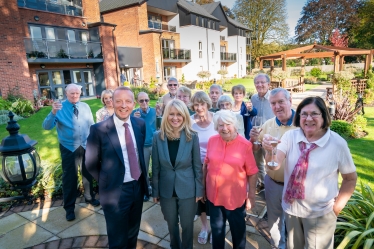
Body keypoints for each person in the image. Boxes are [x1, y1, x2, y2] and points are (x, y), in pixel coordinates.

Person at [262, 96, 357, 249]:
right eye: (304, 114)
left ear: (324, 116)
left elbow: (350, 179)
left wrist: (336, 209)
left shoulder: (337, 143)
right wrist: (269, 150)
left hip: (320, 214)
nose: (308, 118)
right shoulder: (290, 137)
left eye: (314, 114)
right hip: (292, 210)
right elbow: (274, 165)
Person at [85, 86, 149, 248]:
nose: (123, 105)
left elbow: (139, 154)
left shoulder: (139, 124)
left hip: (137, 187)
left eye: (128, 101)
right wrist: (107, 181)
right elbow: (90, 163)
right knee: (118, 238)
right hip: (115, 192)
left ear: (133, 104)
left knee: (132, 233)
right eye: (119, 101)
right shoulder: (98, 130)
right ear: (112, 103)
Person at [42, 84, 99, 221]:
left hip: (86, 145)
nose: (75, 96)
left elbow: (91, 124)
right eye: (72, 93)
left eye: (77, 93)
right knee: (70, 179)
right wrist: (53, 113)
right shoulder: (59, 107)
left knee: (87, 174)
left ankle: (89, 197)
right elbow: (46, 126)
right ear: (66, 94)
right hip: (68, 148)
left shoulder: (85, 107)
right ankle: (69, 208)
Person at [152, 99, 203, 249]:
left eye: (179, 114)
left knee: (187, 226)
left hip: (188, 189)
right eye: (172, 114)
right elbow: (155, 167)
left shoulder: (192, 136)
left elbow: (197, 166)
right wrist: (155, 191)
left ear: (185, 116)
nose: (175, 118)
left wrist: (199, 190)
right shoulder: (157, 137)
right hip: (166, 189)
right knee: (171, 224)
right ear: (166, 115)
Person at [203, 110, 258, 249]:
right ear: (216, 127)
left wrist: (251, 196)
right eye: (220, 125)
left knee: (238, 233)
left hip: (235, 198)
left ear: (235, 125)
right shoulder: (212, 140)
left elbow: (252, 172)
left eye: (228, 124)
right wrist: (203, 188)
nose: (224, 128)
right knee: (217, 232)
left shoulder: (245, 145)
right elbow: (206, 164)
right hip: (213, 196)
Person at [249, 88, 296, 249]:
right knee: (274, 220)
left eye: (281, 102)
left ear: (290, 101)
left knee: (295, 222)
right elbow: (256, 149)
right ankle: (277, 246)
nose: (277, 107)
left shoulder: (303, 123)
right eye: (273, 103)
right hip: (273, 182)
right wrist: (254, 139)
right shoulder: (268, 124)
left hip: (296, 185)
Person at [190, 91, 217, 244]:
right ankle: (204, 227)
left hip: (215, 166)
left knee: (214, 198)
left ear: (208, 104)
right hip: (197, 166)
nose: (199, 107)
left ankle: (215, 227)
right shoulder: (190, 122)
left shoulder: (216, 120)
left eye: (202, 104)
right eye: (196, 104)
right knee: (200, 198)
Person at [251, 73, 275, 194]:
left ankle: (273, 185)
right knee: (257, 160)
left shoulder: (273, 98)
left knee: (271, 161)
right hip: (256, 135)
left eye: (262, 82)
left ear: (268, 84)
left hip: (270, 135)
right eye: (257, 83)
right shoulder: (253, 98)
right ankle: (263, 184)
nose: (259, 85)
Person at [131, 92, 156, 202]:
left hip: (155, 145)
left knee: (157, 169)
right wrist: (133, 119)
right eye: (141, 101)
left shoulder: (155, 111)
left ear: (149, 100)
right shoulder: (133, 114)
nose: (144, 103)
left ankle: (156, 191)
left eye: (146, 100)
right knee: (144, 170)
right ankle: (146, 191)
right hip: (142, 146)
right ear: (137, 102)